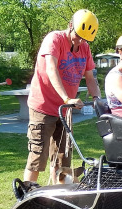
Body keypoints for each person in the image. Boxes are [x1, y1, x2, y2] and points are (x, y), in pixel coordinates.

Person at [23, 9, 102, 184]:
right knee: (38, 156)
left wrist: (97, 98)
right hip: (43, 107)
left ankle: (59, 199)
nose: (80, 41)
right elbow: (51, 69)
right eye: (78, 36)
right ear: (70, 25)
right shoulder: (54, 39)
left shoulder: (85, 48)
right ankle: (26, 199)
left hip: (65, 111)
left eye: (84, 39)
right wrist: (67, 98)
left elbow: (90, 77)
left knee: (62, 159)